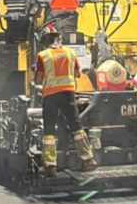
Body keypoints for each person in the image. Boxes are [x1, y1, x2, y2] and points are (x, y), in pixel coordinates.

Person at [33, 24, 96, 177]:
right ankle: (88, 160)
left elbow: (38, 80)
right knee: (76, 127)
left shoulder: (43, 55)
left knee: (49, 130)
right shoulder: (71, 53)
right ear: (59, 39)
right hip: (68, 95)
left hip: (50, 96)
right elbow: (78, 74)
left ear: (46, 40)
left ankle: (50, 165)